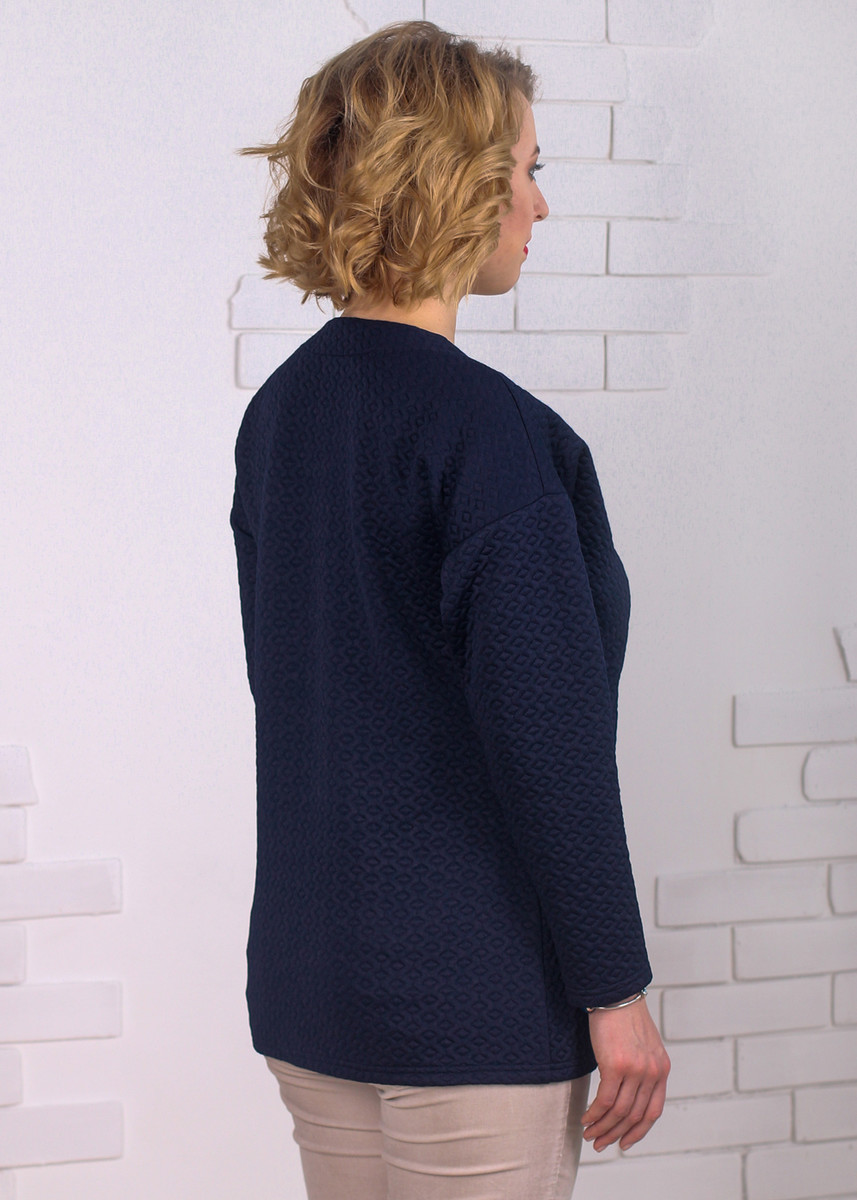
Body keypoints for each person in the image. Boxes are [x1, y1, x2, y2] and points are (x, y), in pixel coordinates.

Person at [230, 19, 670, 1200]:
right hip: (470, 1003)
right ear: (458, 182)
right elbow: (547, 743)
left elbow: (297, 693)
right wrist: (614, 990)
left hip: (313, 986)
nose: (538, 205)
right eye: (525, 169)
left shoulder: (281, 416)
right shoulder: (490, 437)